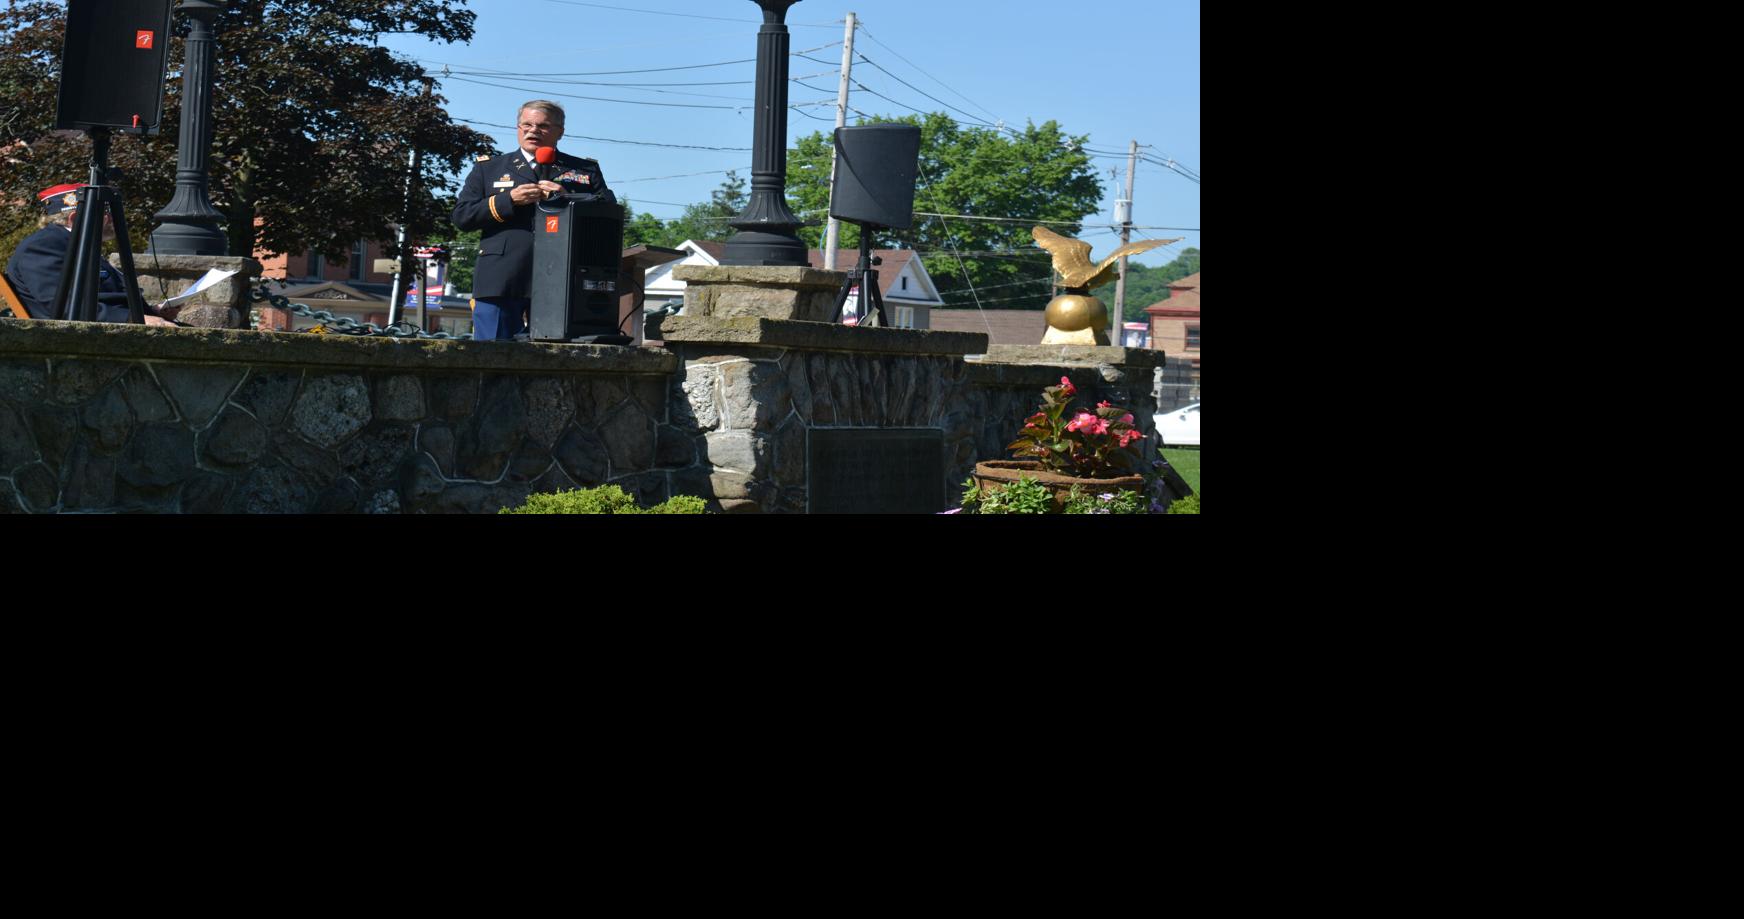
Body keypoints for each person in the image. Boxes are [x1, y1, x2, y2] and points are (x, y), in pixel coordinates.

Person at [451, 100, 612, 340]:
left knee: (558, 357)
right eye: (526, 124)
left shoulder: (584, 170)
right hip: (503, 278)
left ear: (560, 132)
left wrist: (567, 198)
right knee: (493, 356)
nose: (533, 130)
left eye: (543, 126)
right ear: (518, 128)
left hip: (563, 278)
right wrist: (509, 200)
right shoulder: (490, 169)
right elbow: (462, 216)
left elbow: (609, 217)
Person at [4, 183, 173, 325]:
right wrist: (135, 319)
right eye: (106, 212)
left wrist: (152, 312)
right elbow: (64, 306)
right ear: (75, 218)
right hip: (79, 340)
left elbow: (105, 297)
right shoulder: (43, 246)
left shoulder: (74, 244)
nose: (113, 218)